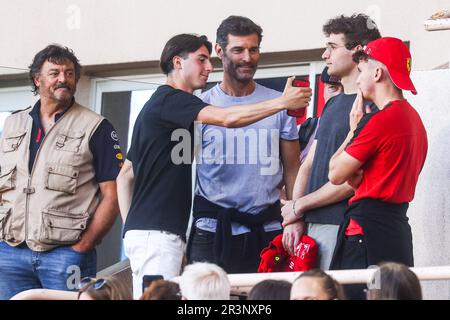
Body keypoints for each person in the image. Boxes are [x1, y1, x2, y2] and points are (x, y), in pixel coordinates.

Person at [116, 34, 311, 299]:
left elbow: (126, 175)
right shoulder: (172, 100)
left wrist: (132, 231)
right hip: (158, 236)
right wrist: (283, 102)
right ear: (177, 62)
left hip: (156, 234)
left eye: (210, 59)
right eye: (201, 60)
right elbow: (229, 118)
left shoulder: (164, 110)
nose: (209, 67)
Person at [0, 44, 122, 300]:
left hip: (66, 255)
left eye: (69, 73)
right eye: (54, 73)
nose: (63, 79)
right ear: (38, 79)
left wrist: (83, 246)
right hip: (9, 252)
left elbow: (112, 195)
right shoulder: (13, 123)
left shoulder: (96, 127)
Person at [188, 15, 301, 274]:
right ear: (219, 51)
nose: (247, 58)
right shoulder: (200, 107)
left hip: (267, 229)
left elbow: (293, 168)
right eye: (238, 50)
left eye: (253, 49)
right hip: (212, 230)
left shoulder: (280, 104)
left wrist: (295, 217)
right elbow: (180, 173)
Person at [328, 37, 428, 298]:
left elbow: (335, 173)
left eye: (360, 72)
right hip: (397, 230)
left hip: (366, 233)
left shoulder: (380, 121)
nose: (358, 80)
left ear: (377, 72)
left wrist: (352, 131)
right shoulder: (415, 121)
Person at [281, 14, 381, 270]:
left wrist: (298, 206)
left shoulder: (372, 107)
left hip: (343, 226)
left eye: (332, 47)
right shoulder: (334, 103)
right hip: (311, 225)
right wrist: (295, 216)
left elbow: (353, 182)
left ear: (357, 52)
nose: (325, 55)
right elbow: (308, 165)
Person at [297, 66, 343, 164]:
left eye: (347, 88)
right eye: (333, 88)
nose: (340, 95)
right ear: (324, 91)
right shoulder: (304, 130)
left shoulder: (366, 127)